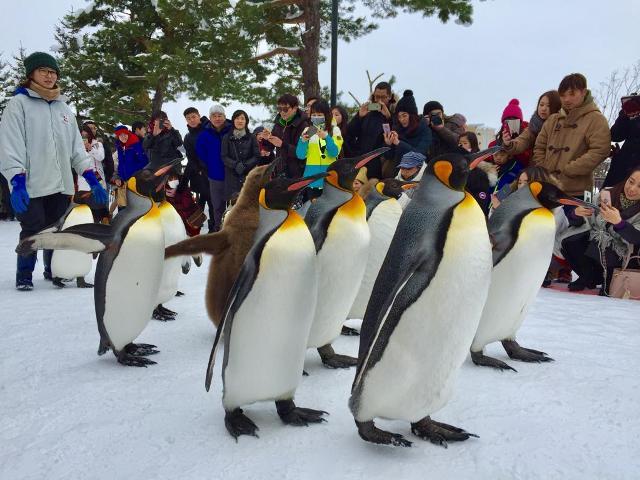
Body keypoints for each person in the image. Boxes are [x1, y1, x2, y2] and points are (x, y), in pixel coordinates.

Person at [0, 51, 107, 290]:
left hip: (60, 185)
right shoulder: (19, 105)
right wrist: (16, 181)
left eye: (53, 72)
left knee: (55, 228)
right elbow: (10, 145)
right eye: (43, 71)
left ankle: (53, 270)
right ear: (31, 74)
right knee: (32, 227)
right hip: (30, 185)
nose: (49, 76)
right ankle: (25, 274)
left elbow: (77, 149)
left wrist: (92, 177)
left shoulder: (63, 109)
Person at [561, 168, 640, 293]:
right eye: (631, 181)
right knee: (571, 240)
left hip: (624, 254)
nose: (632, 189)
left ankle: (608, 280)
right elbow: (582, 223)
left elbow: (637, 238)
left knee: (602, 243)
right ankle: (587, 276)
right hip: (595, 241)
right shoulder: (606, 194)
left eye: (639, 186)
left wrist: (619, 223)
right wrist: (576, 214)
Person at [532, 73, 611, 198]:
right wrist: (544, 169)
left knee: (574, 218)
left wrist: (570, 169)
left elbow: (600, 150)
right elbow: (539, 147)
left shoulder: (596, 119)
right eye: (563, 95)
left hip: (577, 191)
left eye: (572, 94)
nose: (567, 99)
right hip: (548, 187)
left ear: (584, 92)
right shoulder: (553, 119)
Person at [346, 81, 395, 179]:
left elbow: (393, 136)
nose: (379, 101)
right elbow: (350, 132)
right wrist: (359, 116)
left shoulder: (394, 113)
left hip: (379, 164)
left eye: (383, 97)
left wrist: (388, 117)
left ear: (389, 97)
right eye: (377, 97)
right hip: (360, 160)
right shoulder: (367, 112)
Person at [297, 99, 343, 200]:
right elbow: (300, 155)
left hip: (329, 179)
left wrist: (327, 138)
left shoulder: (334, 130)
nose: (316, 117)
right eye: (314, 114)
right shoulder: (308, 130)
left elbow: (334, 152)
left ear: (326, 115)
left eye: (319, 115)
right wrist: (303, 141)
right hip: (311, 179)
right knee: (313, 211)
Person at [196, 104, 232, 232]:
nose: (217, 118)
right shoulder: (204, 134)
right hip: (215, 176)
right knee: (218, 207)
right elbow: (201, 153)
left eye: (220, 115)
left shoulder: (232, 130)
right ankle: (219, 232)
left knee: (235, 206)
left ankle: (234, 232)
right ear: (210, 118)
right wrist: (210, 166)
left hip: (233, 175)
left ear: (225, 116)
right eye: (214, 116)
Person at [502, 91, 562, 160]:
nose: (543, 109)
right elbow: (522, 141)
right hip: (536, 167)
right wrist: (509, 144)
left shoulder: (562, 125)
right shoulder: (533, 126)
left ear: (557, 107)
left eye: (548, 106)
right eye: (541, 105)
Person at [261, 93, 309, 179]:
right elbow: (271, 146)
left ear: (295, 108)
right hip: (280, 171)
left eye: (285, 109)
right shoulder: (278, 124)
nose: (282, 112)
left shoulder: (303, 125)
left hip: (297, 174)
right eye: (279, 109)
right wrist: (266, 139)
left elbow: (301, 153)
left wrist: (282, 144)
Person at [182, 107, 215, 231]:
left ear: (199, 116)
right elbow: (191, 157)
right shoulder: (188, 137)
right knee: (202, 201)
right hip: (199, 174)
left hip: (214, 172)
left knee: (213, 203)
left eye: (194, 117)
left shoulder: (210, 129)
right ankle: (196, 228)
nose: (192, 120)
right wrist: (199, 169)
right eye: (188, 118)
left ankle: (214, 229)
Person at [384, 90, 432, 172]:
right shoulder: (397, 129)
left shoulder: (424, 129)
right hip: (397, 173)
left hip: (417, 173)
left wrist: (399, 143)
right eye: (399, 117)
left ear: (412, 115)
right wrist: (388, 144)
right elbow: (389, 156)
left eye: (404, 115)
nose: (401, 119)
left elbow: (419, 154)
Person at [221, 110, 260, 201]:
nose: (240, 121)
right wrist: (235, 165)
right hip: (232, 178)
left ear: (246, 121)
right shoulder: (227, 137)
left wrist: (245, 165)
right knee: (232, 208)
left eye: (242, 118)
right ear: (233, 121)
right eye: (237, 118)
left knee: (248, 205)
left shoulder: (252, 137)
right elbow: (224, 156)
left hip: (248, 177)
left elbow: (257, 156)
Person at [113, 125, 149, 213]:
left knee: (135, 207)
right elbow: (121, 165)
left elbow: (145, 162)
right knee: (122, 207)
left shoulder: (136, 145)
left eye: (125, 134)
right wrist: (118, 177)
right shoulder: (120, 147)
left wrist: (134, 174)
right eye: (120, 135)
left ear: (128, 133)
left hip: (135, 181)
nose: (123, 137)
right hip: (123, 183)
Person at [603, 101, 640, 187]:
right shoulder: (635, 110)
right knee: (609, 197)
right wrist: (625, 114)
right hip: (622, 167)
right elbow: (615, 135)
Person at [78, 124, 109, 222]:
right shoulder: (77, 146)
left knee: (99, 206)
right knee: (87, 209)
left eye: (86, 136)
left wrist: (90, 148)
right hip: (83, 179)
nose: (84, 138)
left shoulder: (97, 144)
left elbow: (101, 157)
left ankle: (102, 223)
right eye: (82, 136)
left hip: (96, 178)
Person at [165, 169, 202, 237]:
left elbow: (187, 205)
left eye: (175, 179)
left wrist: (176, 194)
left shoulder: (184, 188)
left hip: (191, 219)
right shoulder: (166, 192)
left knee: (194, 238)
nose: (173, 181)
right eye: (170, 179)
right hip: (177, 221)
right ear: (167, 181)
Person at [83, 120, 115, 184]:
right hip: (83, 179)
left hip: (98, 176)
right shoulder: (78, 144)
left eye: (94, 128)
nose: (93, 130)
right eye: (90, 128)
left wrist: (91, 149)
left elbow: (101, 157)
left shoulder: (98, 143)